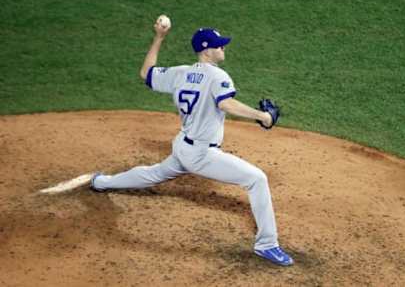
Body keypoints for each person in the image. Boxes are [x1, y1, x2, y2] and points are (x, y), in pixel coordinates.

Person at [91, 15, 293, 266]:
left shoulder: (181, 73)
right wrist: (263, 117)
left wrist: (159, 38)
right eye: (219, 44)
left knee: (154, 173)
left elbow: (146, 73)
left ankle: (101, 182)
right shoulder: (219, 77)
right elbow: (226, 103)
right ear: (206, 50)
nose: (223, 47)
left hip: (183, 145)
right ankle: (267, 244)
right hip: (201, 155)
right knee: (257, 179)